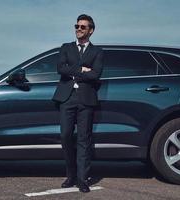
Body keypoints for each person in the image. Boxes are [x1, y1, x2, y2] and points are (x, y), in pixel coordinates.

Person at [52, 14, 103, 193]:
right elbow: (60, 68)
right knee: (65, 136)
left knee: (83, 140)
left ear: (91, 30)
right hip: (67, 98)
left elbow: (96, 74)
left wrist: (72, 70)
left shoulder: (97, 52)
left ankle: (82, 179)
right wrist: (82, 69)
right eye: (77, 26)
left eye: (82, 27)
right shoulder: (66, 47)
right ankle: (70, 175)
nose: (78, 29)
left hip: (86, 100)